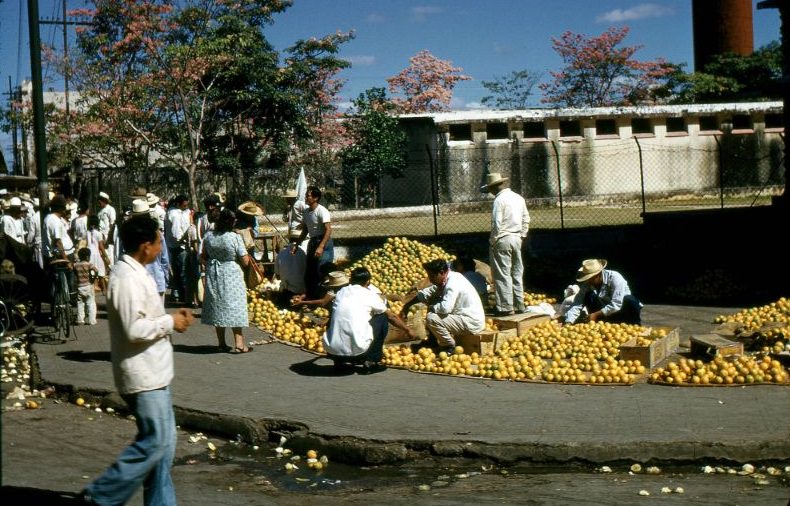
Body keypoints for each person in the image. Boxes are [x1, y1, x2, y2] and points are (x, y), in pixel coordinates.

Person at [81, 214, 194, 506]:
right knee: (154, 443)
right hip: (142, 376)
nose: (161, 247)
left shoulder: (137, 271)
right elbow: (134, 329)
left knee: (163, 450)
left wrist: (170, 318)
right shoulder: (127, 278)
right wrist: (170, 322)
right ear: (146, 245)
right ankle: (101, 494)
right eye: (158, 241)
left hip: (155, 373)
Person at [323, 267, 414, 373]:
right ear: (368, 282)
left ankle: (340, 361)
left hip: (333, 349)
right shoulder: (370, 294)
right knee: (382, 316)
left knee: (336, 317)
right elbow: (392, 317)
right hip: (358, 349)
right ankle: (371, 360)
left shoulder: (341, 292)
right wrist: (407, 330)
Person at [400, 259, 486, 353]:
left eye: (432, 276)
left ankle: (448, 346)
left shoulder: (452, 283)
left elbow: (445, 308)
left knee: (432, 318)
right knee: (434, 301)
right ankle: (432, 341)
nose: (431, 280)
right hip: (466, 318)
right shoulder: (447, 278)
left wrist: (432, 307)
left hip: (471, 322)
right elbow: (427, 293)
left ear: (441, 273)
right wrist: (407, 306)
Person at [200, 208, 252, 354]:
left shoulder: (209, 236)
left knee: (218, 306)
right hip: (231, 274)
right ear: (229, 222)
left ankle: (221, 343)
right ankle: (239, 343)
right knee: (235, 305)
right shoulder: (234, 237)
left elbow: (203, 256)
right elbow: (245, 261)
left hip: (214, 273)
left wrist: (211, 264)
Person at [481, 172, 530, 317]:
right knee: (516, 272)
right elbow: (526, 218)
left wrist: (493, 240)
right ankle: (519, 304)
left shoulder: (499, 201)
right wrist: (522, 235)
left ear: (493, 188)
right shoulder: (518, 198)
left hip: (502, 238)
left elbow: (497, 223)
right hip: (516, 238)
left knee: (502, 274)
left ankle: (505, 307)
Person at [562, 259, 642, 325]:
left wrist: (595, 314)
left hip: (621, 310)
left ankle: (634, 324)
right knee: (589, 296)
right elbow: (577, 303)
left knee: (630, 300)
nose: (588, 281)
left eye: (590, 278)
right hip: (604, 311)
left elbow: (617, 304)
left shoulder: (615, 277)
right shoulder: (587, 284)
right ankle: (599, 324)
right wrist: (568, 322)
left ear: (598, 274)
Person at [298, 186, 333, 299]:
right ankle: (311, 297)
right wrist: (297, 244)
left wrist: (321, 246)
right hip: (313, 242)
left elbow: (328, 229)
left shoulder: (322, 211)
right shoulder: (307, 212)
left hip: (323, 241)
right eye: (306, 196)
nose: (306, 198)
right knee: (311, 271)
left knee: (322, 271)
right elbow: (306, 230)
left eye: (308, 196)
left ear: (316, 198)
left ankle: (324, 298)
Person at [164, 195, 190, 305]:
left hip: (177, 245)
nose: (186, 207)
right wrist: (183, 240)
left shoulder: (183, 212)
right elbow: (176, 233)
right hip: (178, 246)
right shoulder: (174, 214)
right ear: (178, 204)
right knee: (182, 271)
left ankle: (178, 293)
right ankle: (183, 295)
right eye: (184, 205)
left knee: (178, 271)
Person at [274, 229, 306, 307]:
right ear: (300, 240)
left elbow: (277, 275)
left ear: (289, 239)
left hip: (286, 288)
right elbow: (306, 272)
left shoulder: (281, 253)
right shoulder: (303, 253)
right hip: (299, 290)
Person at [73, 247, 99, 325]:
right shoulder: (88, 264)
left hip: (79, 286)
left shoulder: (76, 265)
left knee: (80, 303)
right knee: (91, 303)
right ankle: (92, 320)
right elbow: (96, 270)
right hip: (88, 285)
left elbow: (74, 272)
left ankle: (80, 320)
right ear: (88, 257)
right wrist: (93, 278)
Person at [86, 215, 111, 295]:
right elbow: (101, 247)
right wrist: (106, 257)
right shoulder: (98, 234)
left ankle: (93, 289)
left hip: (89, 254)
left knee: (91, 273)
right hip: (97, 254)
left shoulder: (87, 233)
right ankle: (104, 290)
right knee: (101, 272)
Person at [97, 191, 117, 266]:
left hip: (108, 236)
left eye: (101, 200)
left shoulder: (110, 209)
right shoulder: (99, 212)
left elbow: (112, 224)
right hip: (101, 236)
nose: (99, 202)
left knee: (110, 255)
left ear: (105, 201)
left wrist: (109, 237)